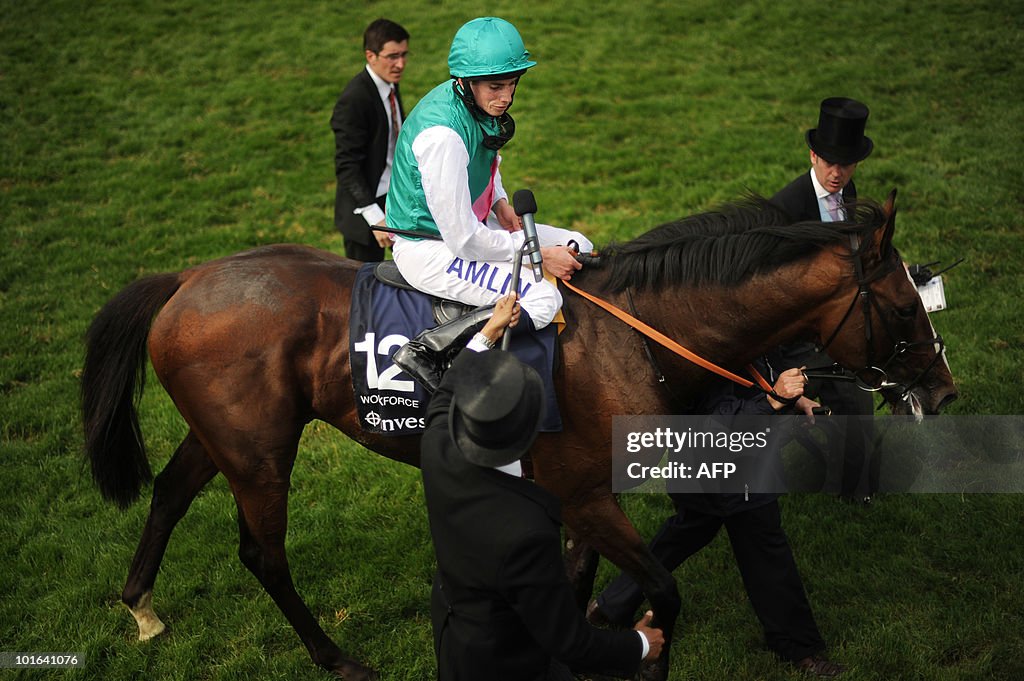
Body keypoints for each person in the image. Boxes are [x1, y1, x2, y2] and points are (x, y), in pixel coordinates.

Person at [420, 293, 664, 680]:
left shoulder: (437, 445)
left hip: (456, 634)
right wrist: (640, 644)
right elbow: (570, 643)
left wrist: (488, 332)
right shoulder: (527, 531)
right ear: (530, 433)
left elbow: (448, 389)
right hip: (507, 660)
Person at [587, 357, 846, 678]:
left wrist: (796, 399)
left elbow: (746, 379)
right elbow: (715, 422)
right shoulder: (710, 337)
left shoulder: (732, 324)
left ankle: (610, 606)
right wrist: (774, 400)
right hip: (731, 470)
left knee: (687, 531)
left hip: (707, 468)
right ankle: (800, 648)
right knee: (767, 555)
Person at [387, 17, 593, 391]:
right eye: (496, 87)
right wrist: (538, 254)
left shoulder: (470, 101)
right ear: (465, 82)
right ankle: (434, 349)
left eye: (512, 85)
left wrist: (498, 200)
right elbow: (464, 242)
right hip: (430, 248)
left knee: (581, 243)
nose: (506, 97)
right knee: (542, 297)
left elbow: (484, 157)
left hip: (474, 225)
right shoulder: (442, 137)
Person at [770, 97, 877, 502]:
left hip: (838, 323)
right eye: (829, 163)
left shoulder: (848, 191)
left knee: (859, 396)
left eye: (846, 165)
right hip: (794, 337)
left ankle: (853, 487)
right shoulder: (787, 209)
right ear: (812, 155)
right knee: (777, 411)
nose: (837, 174)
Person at [330, 18, 409, 261]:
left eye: (405, 55)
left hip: (393, 196)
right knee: (363, 287)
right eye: (392, 56)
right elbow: (347, 166)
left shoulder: (389, 85)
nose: (401, 64)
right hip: (365, 212)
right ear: (370, 56)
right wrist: (375, 217)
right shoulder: (354, 100)